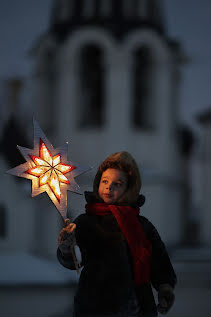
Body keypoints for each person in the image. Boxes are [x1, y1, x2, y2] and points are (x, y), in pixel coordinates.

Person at [57, 152, 177, 317]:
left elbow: (158, 259)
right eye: (105, 181)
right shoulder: (87, 221)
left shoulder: (142, 225)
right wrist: (67, 247)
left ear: (129, 189)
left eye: (117, 184)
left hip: (136, 306)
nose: (109, 187)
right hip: (94, 306)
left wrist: (165, 286)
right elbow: (76, 260)